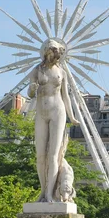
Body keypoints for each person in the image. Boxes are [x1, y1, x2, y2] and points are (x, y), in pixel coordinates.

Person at [28, 39, 79, 202]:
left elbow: (66, 96)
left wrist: (72, 116)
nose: (55, 57)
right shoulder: (36, 70)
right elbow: (30, 93)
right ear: (46, 52)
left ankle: (49, 194)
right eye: (52, 53)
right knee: (40, 156)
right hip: (41, 113)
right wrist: (32, 89)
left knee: (53, 155)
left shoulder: (61, 72)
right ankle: (43, 192)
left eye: (57, 54)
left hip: (58, 111)